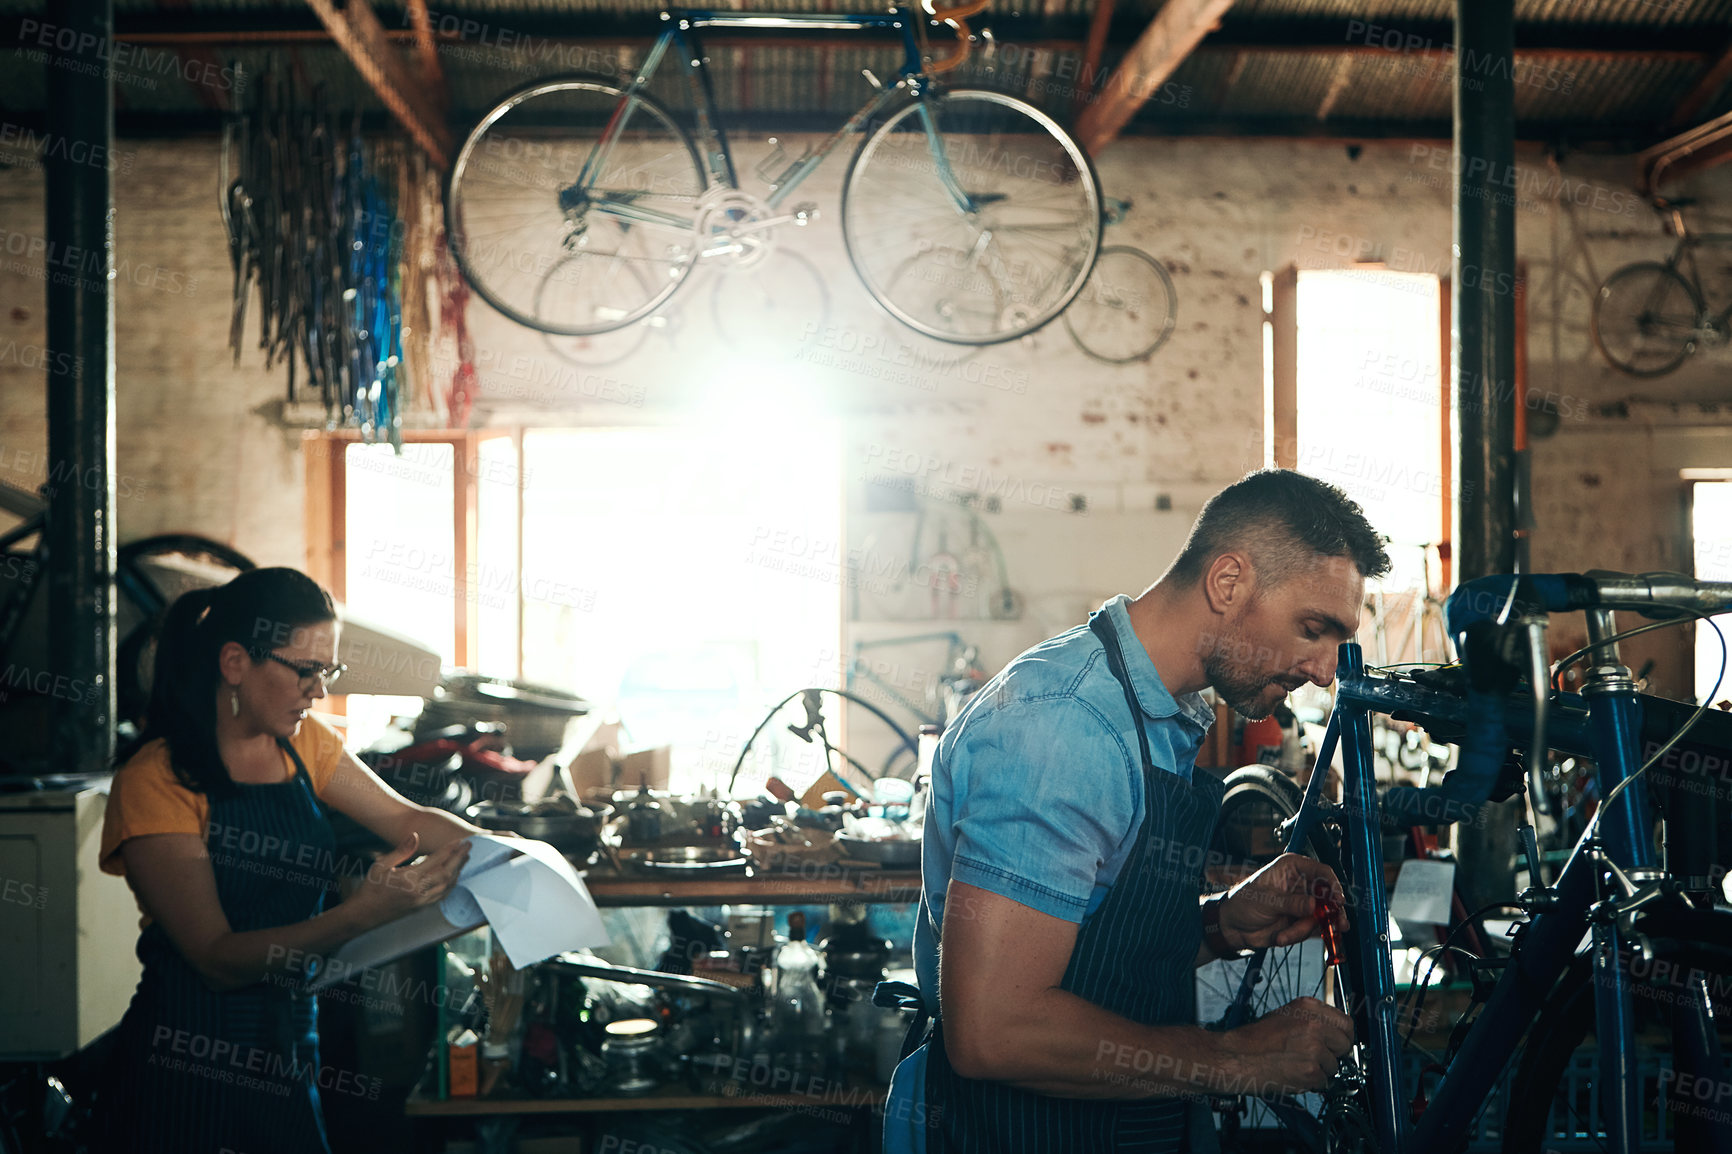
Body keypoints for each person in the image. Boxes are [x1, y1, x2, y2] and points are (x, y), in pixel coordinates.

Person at [882, 469, 1391, 1153]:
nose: (1327, 670)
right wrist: (1240, 1059)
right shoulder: (1065, 728)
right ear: (1229, 582)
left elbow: (1093, 953)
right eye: (1313, 628)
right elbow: (994, 1031)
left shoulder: (1160, 713)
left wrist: (1223, 923)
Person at [95, 567, 484, 1154]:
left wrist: (509, 853)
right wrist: (361, 913)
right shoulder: (155, 781)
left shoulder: (303, 743)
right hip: (188, 1050)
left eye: (328, 671)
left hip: (288, 1038)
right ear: (234, 664)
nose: (319, 691)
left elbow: (408, 821)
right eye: (306, 670)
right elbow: (216, 960)